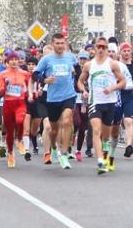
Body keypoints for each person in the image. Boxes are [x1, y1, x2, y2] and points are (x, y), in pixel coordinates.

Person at [77, 36, 126, 175]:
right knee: (96, 131)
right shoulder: (89, 65)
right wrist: (83, 91)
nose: (101, 49)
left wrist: (112, 88)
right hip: (95, 102)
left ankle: (105, 149)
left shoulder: (112, 64)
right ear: (94, 48)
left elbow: (123, 82)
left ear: (107, 49)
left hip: (110, 102)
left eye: (103, 47)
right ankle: (100, 161)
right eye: (98, 46)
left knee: (106, 135)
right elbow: (80, 81)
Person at [35, 34, 79, 170]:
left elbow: (78, 69)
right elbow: (35, 74)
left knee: (67, 121)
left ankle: (64, 153)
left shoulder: (70, 57)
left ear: (65, 44)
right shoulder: (47, 59)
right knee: (54, 130)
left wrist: (76, 78)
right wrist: (45, 80)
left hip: (69, 95)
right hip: (53, 98)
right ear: (53, 44)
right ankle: (53, 147)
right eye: (57, 43)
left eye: (62, 43)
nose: (60, 46)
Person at [0, 51, 31, 169]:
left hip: (20, 102)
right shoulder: (3, 74)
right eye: (11, 60)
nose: (14, 62)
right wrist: (5, 86)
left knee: (20, 121)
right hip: (8, 103)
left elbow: (29, 88)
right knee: (10, 131)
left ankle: (19, 140)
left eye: (16, 59)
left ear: (19, 61)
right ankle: (11, 153)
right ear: (7, 62)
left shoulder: (25, 74)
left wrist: (31, 94)